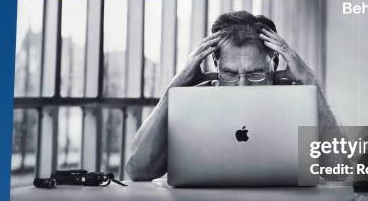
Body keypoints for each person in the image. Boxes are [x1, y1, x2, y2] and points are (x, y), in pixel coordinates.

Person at [125, 10, 339, 181]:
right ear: (216, 65)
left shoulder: (298, 101)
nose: (242, 85)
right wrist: (173, 89)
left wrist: (311, 82)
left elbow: (339, 172)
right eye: (229, 74)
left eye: (255, 74)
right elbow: (138, 170)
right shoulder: (192, 101)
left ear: (274, 63)